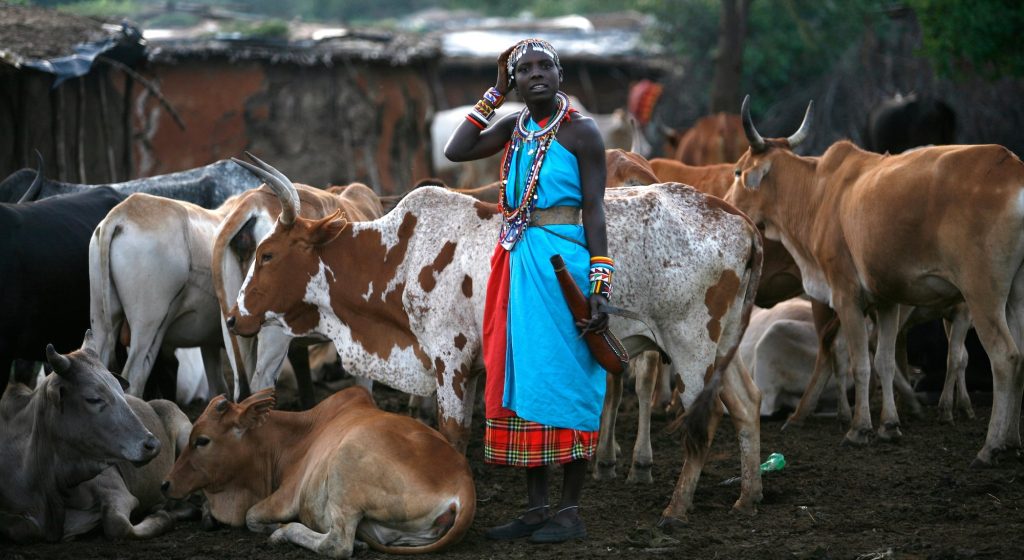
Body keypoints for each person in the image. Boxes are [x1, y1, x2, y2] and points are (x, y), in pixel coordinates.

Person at [444, 38, 612, 544]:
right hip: (517, 264)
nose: (536, 74)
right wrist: (493, 94)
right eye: (524, 70)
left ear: (560, 74)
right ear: (515, 81)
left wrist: (599, 284)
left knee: (569, 378)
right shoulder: (513, 128)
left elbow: (595, 211)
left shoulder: (582, 132)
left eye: (545, 67)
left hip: (565, 265)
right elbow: (456, 151)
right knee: (523, 376)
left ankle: (571, 510)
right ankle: (537, 508)